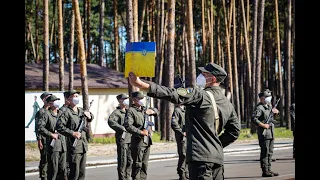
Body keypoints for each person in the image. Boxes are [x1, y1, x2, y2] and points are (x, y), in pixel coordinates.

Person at [128, 62, 241, 180]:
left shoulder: (200, 94)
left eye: (204, 74)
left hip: (200, 159)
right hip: (217, 159)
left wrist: (141, 85)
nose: (200, 76)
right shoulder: (227, 103)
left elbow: (173, 93)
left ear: (212, 78)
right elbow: (235, 131)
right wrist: (216, 145)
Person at [56, 90, 94, 180]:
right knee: (74, 173)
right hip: (73, 146)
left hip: (83, 145)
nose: (76, 98)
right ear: (68, 99)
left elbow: (90, 116)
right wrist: (72, 133)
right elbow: (59, 126)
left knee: (81, 173)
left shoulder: (81, 110)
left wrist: (89, 116)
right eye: (74, 96)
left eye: (77, 96)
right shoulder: (66, 112)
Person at [124, 91, 158, 180]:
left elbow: (156, 111)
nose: (141, 101)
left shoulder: (144, 109)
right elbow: (128, 126)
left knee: (144, 164)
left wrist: (153, 112)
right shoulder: (131, 111)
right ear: (134, 100)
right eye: (139, 99)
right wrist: (140, 132)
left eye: (142, 99)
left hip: (147, 141)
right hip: (138, 141)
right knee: (137, 164)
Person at [37, 95, 68, 180]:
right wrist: (51, 134)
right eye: (54, 100)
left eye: (57, 100)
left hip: (63, 145)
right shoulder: (46, 114)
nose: (57, 102)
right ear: (50, 103)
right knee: (53, 169)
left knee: (63, 169)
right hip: (53, 146)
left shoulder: (61, 113)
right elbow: (40, 128)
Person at [252, 89, 280, 177]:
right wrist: (263, 125)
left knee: (270, 152)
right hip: (264, 134)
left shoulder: (269, 106)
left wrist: (276, 113)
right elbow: (254, 119)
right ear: (261, 98)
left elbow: (272, 118)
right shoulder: (259, 108)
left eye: (269, 96)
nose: (268, 98)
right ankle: (265, 171)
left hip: (271, 133)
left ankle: (269, 169)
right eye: (266, 96)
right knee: (265, 152)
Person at [108, 93, 133, 180]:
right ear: (119, 101)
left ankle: (128, 177)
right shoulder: (116, 113)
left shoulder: (129, 111)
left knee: (130, 161)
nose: (126, 100)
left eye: (127, 98)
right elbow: (111, 122)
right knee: (123, 161)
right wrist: (121, 128)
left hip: (131, 139)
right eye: (124, 98)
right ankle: (122, 178)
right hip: (122, 139)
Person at [35, 92, 52, 180]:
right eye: (47, 97)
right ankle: (43, 176)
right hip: (44, 140)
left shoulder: (52, 111)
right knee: (44, 159)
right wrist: (39, 140)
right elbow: (37, 127)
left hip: (52, 139)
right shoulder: (41, 112)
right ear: (43, 99)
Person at [171, 104, 188, 180]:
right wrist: (181, 132)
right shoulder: (177, 111)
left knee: (188, 154)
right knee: (183, 155)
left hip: (189, 137)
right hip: (182, 137)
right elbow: (174, 123)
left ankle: (186, 172)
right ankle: (182, 173)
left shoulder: (186, 109)